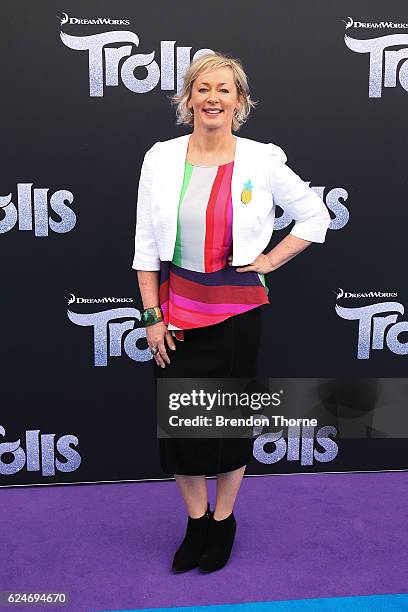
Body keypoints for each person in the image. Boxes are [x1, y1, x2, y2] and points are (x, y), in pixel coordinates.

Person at [132, 52, 331, 573]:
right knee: (181, 423)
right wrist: (152, 317)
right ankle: (196, 522)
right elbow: (146, 247)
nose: (212, 98)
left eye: (224, 89)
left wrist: (268, 259)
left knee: (225, 420)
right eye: (203, 88)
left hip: (237, 311)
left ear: (239, 101)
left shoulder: (260, 160)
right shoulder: (161, 158)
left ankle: (223, 521)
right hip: (176, 312)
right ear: (188, 98)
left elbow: (315, 215)